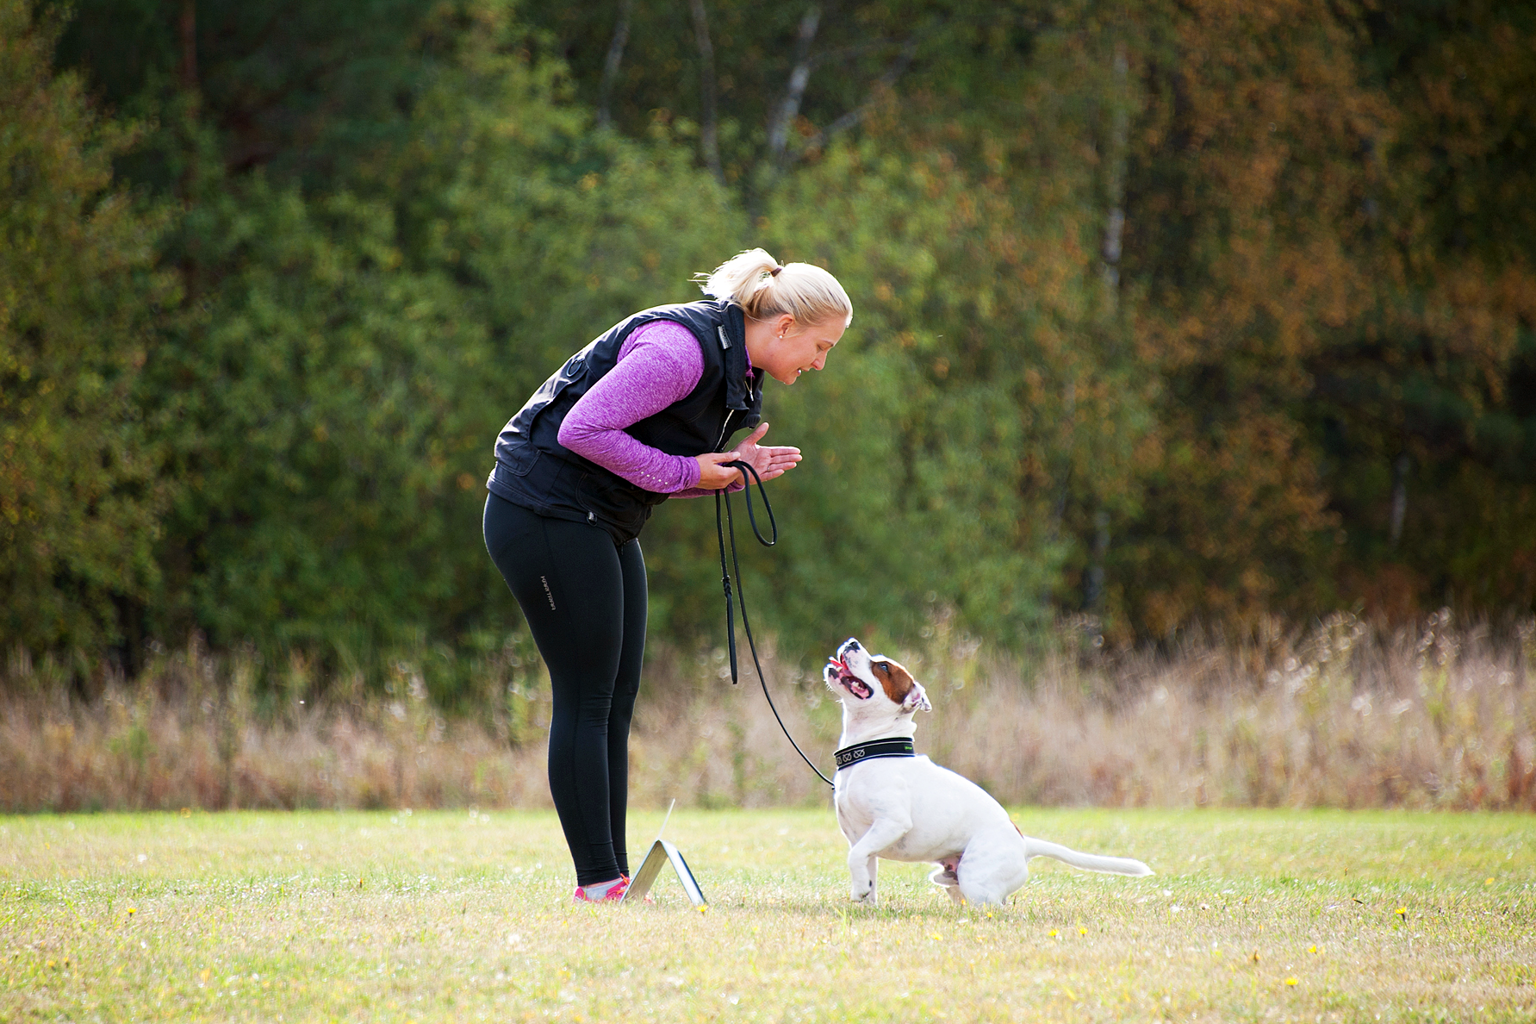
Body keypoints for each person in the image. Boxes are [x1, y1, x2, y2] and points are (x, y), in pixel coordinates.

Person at [483, 248, 852, 903]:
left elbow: (647, 459)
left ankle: (612, 879)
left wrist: (726, 470)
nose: (820, 363)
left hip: (600, 518)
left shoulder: (737, 368)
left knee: (614, 700)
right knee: (586, 697)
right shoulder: (680, 351)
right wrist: (692, 472)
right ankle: (598, 884)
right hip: (543, 511)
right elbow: (582, 429)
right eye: (821, 347)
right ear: (785, 325)